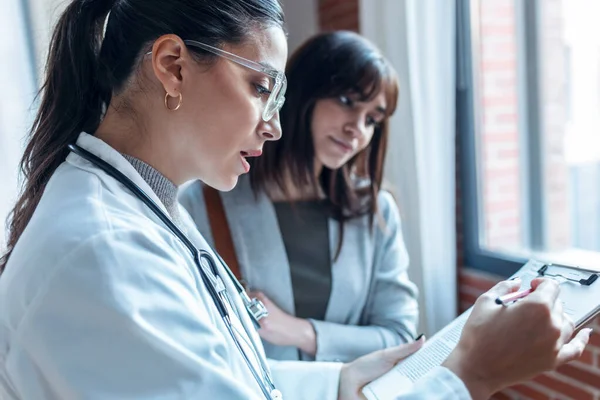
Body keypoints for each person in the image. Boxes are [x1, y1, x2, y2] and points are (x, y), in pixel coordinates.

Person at [0, 0, 590, 399]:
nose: (273, 126)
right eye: (262, 88)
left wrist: (341, 378)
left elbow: (225, 372)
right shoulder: (105, 250)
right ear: (173, 66)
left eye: (375, 118)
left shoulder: (147, 212)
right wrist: (471, 374)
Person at [179, 31, 419, 363]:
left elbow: (401, 337)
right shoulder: (207, 201)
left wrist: (300, 332)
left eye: (372, 119)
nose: (357, 128)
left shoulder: (375, 211)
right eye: (347, 101)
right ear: (302, 92)